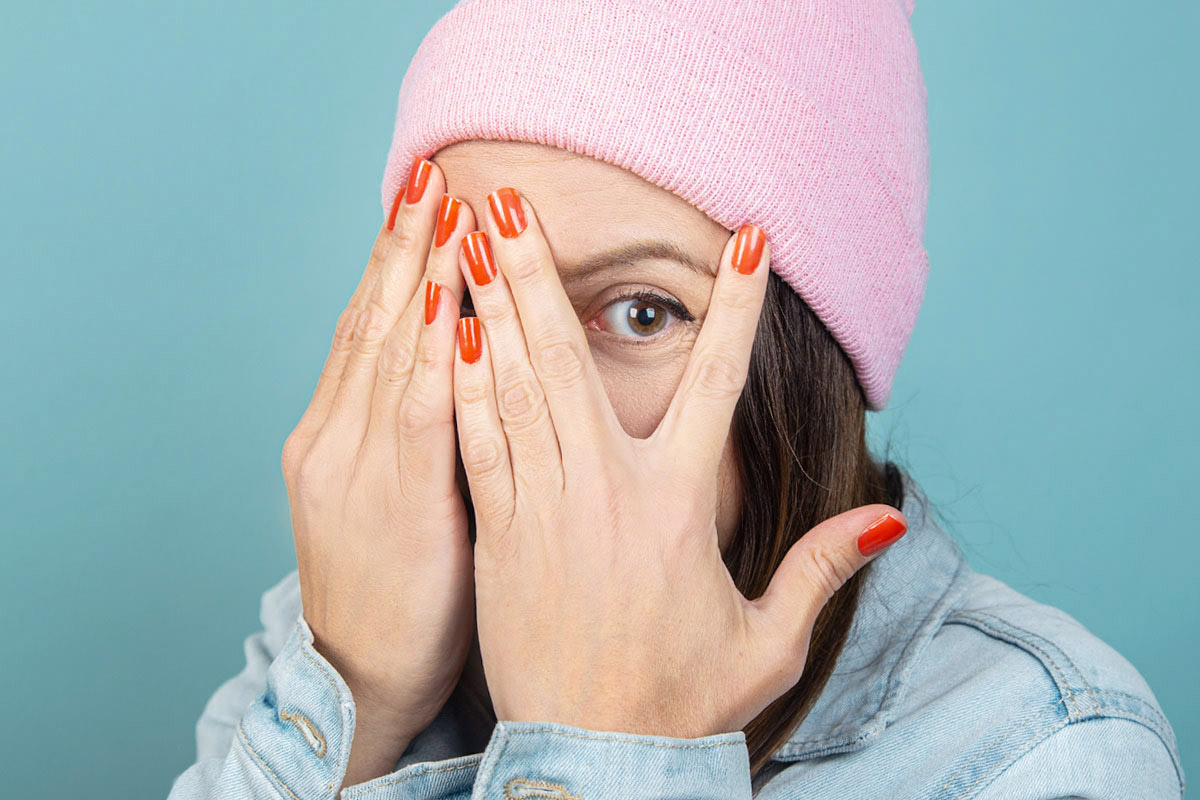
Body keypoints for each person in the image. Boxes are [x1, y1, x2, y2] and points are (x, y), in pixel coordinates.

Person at [167, 1, 1184, 798]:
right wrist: (355, 690)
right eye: (475, 299)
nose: (527, 398)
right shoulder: (342, 629)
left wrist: (602, 748)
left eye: (645, 311)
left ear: (809, 352)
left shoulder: (1044, 747)